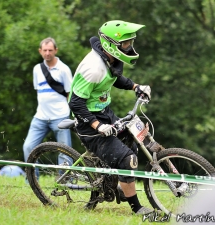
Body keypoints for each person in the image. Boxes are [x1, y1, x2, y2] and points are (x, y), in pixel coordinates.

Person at [68, 20, 153, 215]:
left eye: (130, 43)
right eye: (125, 44)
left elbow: (115, 77)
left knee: (134, 139)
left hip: (105, 112)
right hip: (88, 122)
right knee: (128, 159)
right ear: (110, 44)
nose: (129, 47)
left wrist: (136, 87)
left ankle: (119, 184)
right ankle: (137, 208)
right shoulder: (93, 67)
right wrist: (98, 126)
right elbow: (75, 103)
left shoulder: (110, 60)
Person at [23, 37, 73, 173]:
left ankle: (66, 181)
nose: (47, 53)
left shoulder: (64, 69)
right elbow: (39, 91)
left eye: (50, 50)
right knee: (28, 147)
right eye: (44, 50)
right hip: (41, 117)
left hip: (60, 116)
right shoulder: (37, 69)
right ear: (40, 51)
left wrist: (73, 114)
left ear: (56, 50)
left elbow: (70, 93)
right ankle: (32, 181)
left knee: (65, 151)